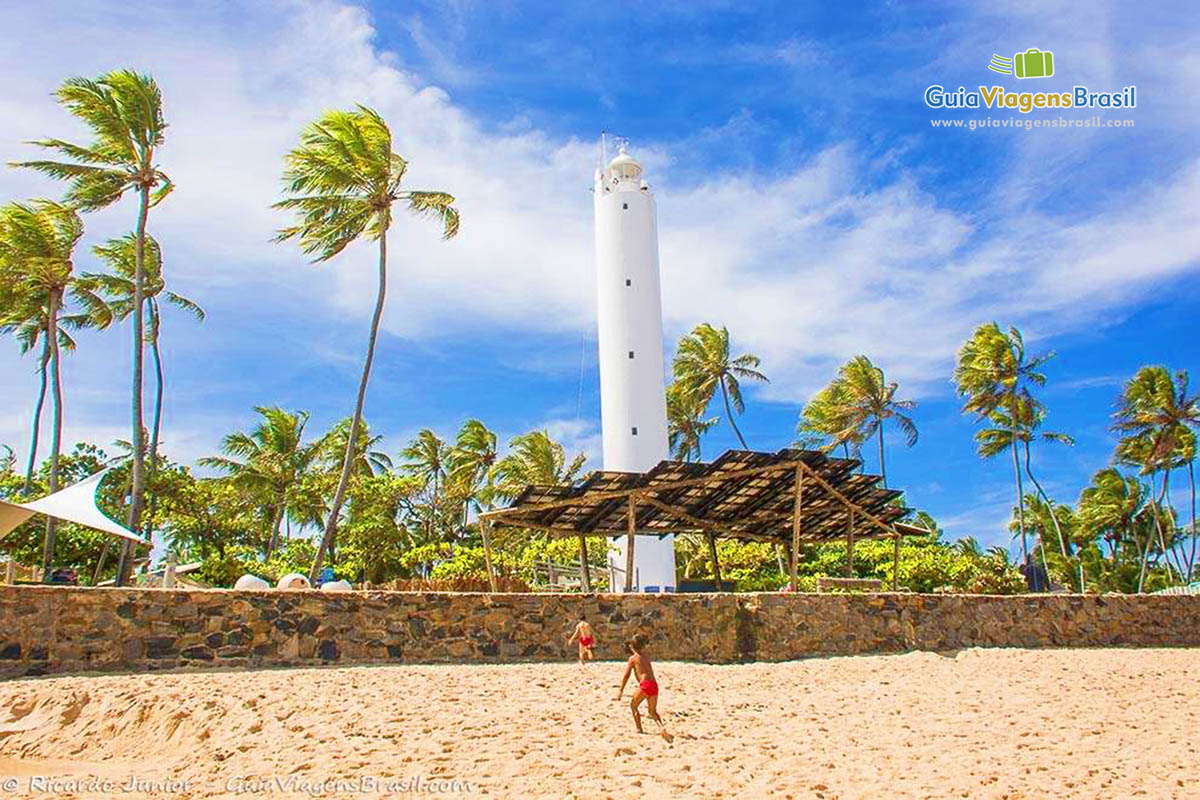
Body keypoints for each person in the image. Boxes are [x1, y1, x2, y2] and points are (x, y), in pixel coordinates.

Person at [615, 634, 672, 741]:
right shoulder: (646, 656)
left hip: (644, 685)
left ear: (632, 646)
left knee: (633, 706)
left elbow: (626, 676)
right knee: (652, 711)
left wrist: (620, 690)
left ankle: (639, 729)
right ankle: (661, 727)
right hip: (654, 685)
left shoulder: (632, 659)